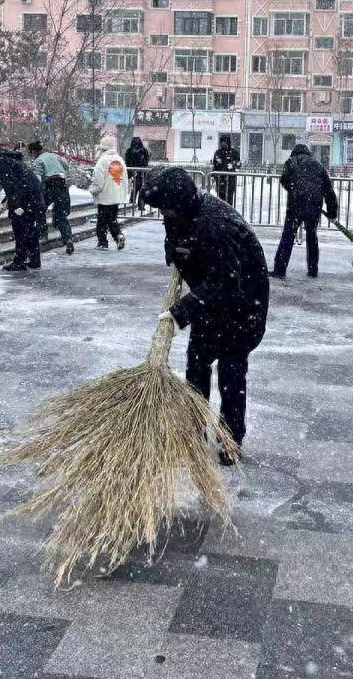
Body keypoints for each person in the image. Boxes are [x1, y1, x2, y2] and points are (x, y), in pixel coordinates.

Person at [142, 166, 269, 460]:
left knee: (231, 371)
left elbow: (225, 282)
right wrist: (174, 253)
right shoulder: (181, 213)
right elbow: (175, 236)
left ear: (181, 204)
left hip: (243, 305)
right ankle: (192, 432)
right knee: (196, 364)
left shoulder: (217, 225)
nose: (165, 215)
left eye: (167, 210)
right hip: (210, 302)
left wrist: (180, 312)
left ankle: (230, 441)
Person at [271, 143, 339, 279]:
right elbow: (329, 190)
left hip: (295, 205)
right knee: (312, 237)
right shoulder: (318, 165)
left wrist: (295, 189)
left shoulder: (291, 161)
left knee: (288, 236)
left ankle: (280, 269)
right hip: (314, 206)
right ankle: (313, 270)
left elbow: (284, 180)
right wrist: (332, 212)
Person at [0, 144, 46, 273]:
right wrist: (8, 199)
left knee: (20, 229)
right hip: (34, 197)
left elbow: (12, 185)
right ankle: (34, 260)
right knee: (30, 230)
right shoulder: (9, 159)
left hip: (26, 199)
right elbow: (18, 182)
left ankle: (19, 262)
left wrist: (16, 205)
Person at [27, 139, 75, 256]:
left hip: (49, 186)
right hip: (62, 185)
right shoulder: (55, 155)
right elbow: (66, 166)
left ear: (34, 152)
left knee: (39, 209)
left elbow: (37, 180)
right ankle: (68, 239)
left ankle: (43, 233)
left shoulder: (38, 161)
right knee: (61, 215)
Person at [90, 134, 129, 250]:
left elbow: (98, 181)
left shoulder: (102, 161)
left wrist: (93, 190)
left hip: (105, 196)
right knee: (111, 219)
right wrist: (124, 193)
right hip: (116, 197)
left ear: (103, 149)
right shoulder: (120, 160)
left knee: (102, 221)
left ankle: (103, 242)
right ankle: (118, 236)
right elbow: (125, 179)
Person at [212, 135, 242, 206]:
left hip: (230, 179)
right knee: (220, 198)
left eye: (225, 142)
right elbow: (215, 165)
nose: (223, 144)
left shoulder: (234, 152)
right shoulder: (218, 152)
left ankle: (228, 213)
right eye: (222, 142)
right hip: (220, 179)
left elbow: (239, 163)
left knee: (229, 199)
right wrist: (213, 175)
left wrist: (233, 164)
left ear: (228, 142)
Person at [124, 135, 150, 208]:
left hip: (134, 171)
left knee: (135, 187)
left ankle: (132, 202)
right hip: (141, 172)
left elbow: (127, 161)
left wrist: (130, 170)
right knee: (141, 188)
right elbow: (146, 161)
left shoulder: (129, 150)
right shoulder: (144, 150)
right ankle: (140, 205)